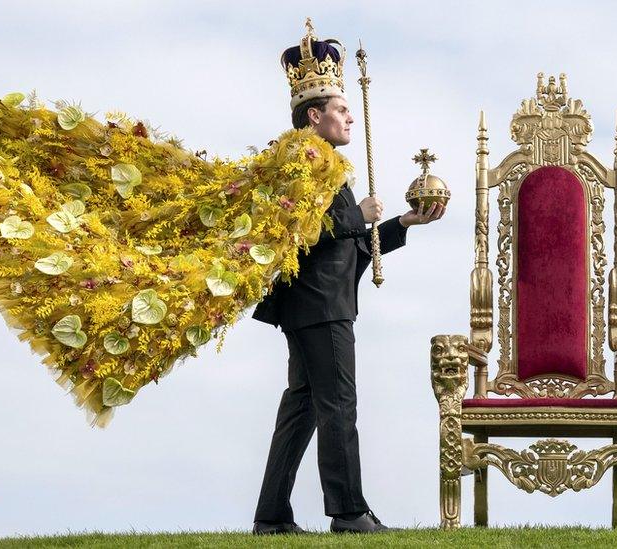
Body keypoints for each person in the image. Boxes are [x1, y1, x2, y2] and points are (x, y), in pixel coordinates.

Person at [251, 21, 445, 535]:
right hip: (320, 306)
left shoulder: (325, 164)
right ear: (314, 116)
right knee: (338, 404)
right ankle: (349, 512)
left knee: (303, 408)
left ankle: (271, 517)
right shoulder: (303, 160)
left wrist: (400, 223)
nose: (350, 116)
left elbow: (345, 245)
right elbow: (297, 230)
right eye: (340, 109)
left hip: (317, 303)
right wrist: (358, 215)